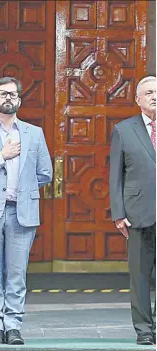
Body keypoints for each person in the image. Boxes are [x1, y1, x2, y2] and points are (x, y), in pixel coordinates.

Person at [0, 77, 52, 345]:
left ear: (19, 100)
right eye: (3, 93)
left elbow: (45, 173)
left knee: (17, 272)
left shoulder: (33, 133)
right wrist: (1, 156)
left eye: (13, 94)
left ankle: (13, 325)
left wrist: (23, 188)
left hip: (21, 211)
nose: (8, 98)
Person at [109, 76, 156, 345]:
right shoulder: (124, 130)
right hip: (139, 214)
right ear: (138, 99)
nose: (154, 97)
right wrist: (118, 213)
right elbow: (116, 176)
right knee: (139, 277)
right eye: (148, 92)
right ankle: (144, 330)